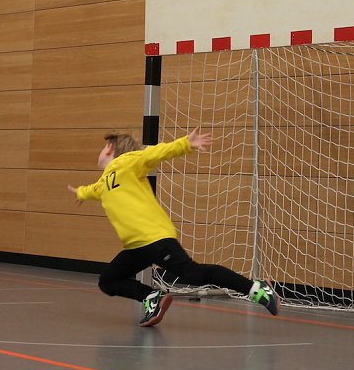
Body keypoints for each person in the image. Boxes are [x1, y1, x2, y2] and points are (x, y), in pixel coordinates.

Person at [67, 129, 279, 327]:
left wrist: (185, 144)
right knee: (108, 280)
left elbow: (153, 153)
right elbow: (94, 190)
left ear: (111, 149)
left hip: (155, 239)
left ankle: (256, 289)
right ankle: (152, 297)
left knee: (194, 274)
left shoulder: (127, 162)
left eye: (104, 147)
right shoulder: (106, 181)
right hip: (137, 246)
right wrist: (80, 193)